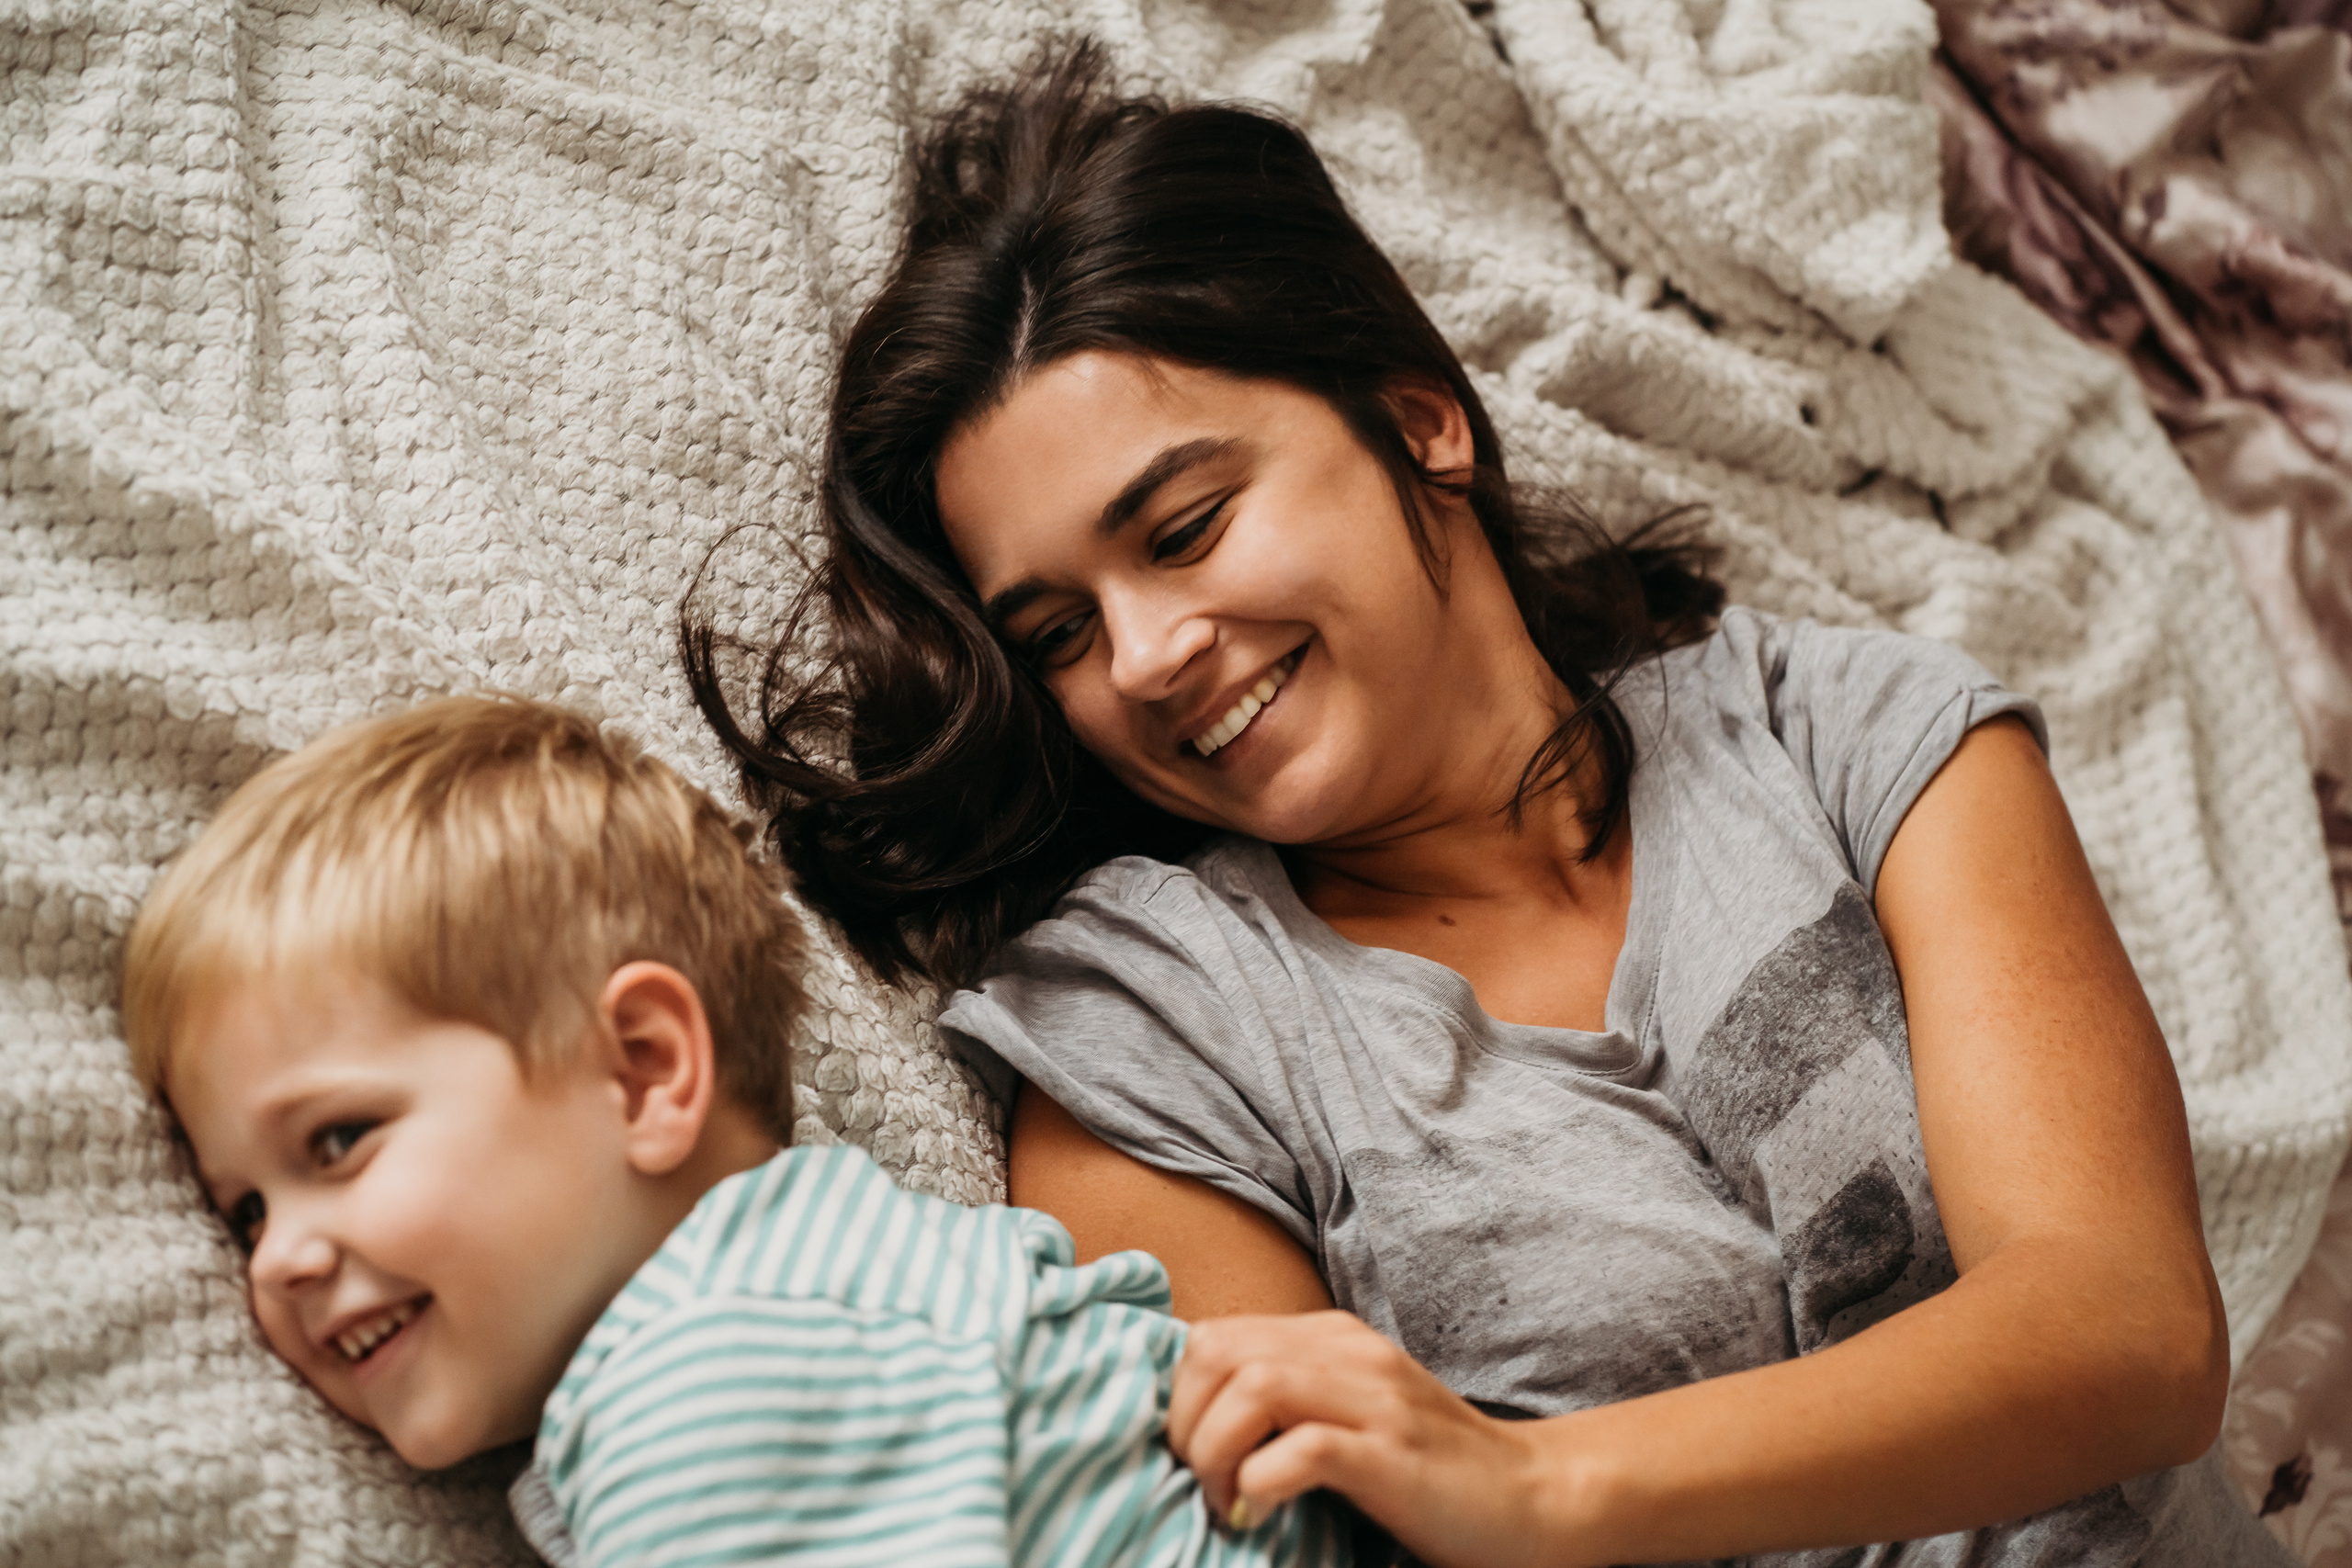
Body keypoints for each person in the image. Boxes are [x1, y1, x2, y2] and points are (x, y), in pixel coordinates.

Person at [684, 40, 2295, 1568]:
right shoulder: (1152, 1031)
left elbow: (2129, 1333)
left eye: (1183, 529)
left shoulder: (1859, 738)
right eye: (1057, 633)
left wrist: (1529, 1484)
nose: (1146, 655)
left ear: (1417, 421)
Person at [119, 694, 1348, 1568]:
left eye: (336, 1142)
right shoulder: (842, 1269)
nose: (275, 1259)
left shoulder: (697, 1385)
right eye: (247, 1209)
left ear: (646, 1072)